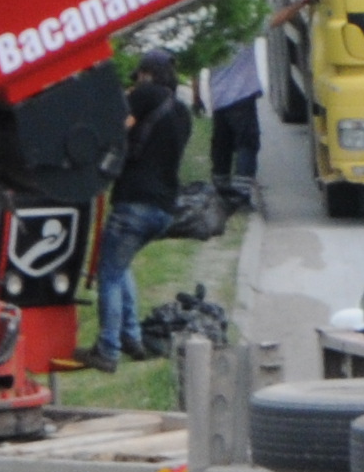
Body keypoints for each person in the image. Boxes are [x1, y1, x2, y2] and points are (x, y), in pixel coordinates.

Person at [86, 45, 191, 370]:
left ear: (146, 74)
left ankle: (108, 350)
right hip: (163, 208)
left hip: (135, 202)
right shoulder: (184, 111)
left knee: (110, 273)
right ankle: (131, 337)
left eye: (140, 76)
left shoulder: (146, 95)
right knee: (121, 265)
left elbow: (115, 123)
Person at [203, 29, 264, 205]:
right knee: (247, 144)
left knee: (222, 145)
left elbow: (198, 66)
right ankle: (240, 194)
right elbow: (275, 19)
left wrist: (196, 97)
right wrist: (301, 3)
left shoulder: (209, 34)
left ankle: (220, 189)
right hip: (241, 97)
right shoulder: (243, 27)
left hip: (219, 98)